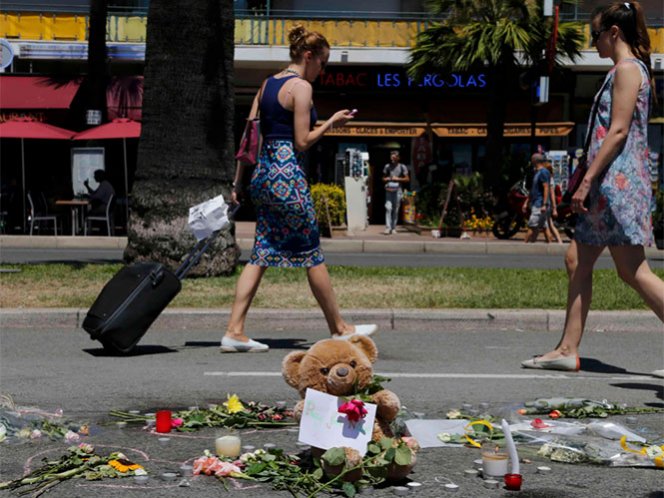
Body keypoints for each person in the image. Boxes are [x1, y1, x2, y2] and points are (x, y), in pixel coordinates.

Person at [522, 1, 664, 374]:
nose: (592, 42)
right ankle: (567, 348)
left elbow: (617, 132)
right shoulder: (625, 70)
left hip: (614, 184)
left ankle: (567, 348)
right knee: (578, 260)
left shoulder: (628, 70)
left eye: (595, 34)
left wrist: (585, 181)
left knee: (633, 271)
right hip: (611, 183)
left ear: (613, 32)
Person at [222, 25, 377, 353]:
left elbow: (248, 138)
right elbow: (302, 141)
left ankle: (234, 331)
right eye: (323, 63)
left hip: (262, 175)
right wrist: (331, 123)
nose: (323, 70)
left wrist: (238, 183)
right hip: (287, 175)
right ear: (309, 56)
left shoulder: (266, 85)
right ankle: (340, 328)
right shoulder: (301, 87)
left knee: (262, 252)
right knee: (311, 251)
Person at [523, 153, 550, 243]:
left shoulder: (543, 172)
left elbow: (546, 188)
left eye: (531, 160)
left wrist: (544, 204)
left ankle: (524, 246)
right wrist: (526, 202)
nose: (531, 162)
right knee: (543, 226)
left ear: (535, 161)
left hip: (540, 203)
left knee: (532, 225)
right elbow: (533, 190)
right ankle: (549, 245)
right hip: (536, 202)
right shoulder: (536, 173)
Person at [382, 150, 410, 235]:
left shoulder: (402, 167)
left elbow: (407, 179)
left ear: (398, 158)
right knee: (388, 208)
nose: (392, 159)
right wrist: (386, 179)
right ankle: (387, 227)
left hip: (398, 190)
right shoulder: (387, 166)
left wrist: (398, 179)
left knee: (395, 209)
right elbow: (383, 178)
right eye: (391, 157)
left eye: (394, 157)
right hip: (389, 189)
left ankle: (393, 228)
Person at [544, 161, 563, 244]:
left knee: (547, 225)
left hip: (546, 204)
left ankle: (550, 241)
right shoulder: (547, 179)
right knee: (549, 224)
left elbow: (552, 194)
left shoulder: (548, 180)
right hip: (545, 204)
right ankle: (557, 241)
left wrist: (554, 208)